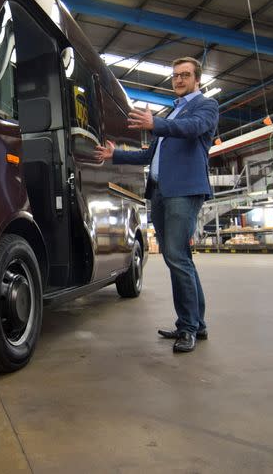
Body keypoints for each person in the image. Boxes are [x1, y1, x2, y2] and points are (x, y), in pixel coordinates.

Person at [95, 57, 219, 353]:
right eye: (175, 75)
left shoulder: (205, 107)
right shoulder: (173, 113)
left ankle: (188, 327)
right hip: (162, 191)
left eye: (184, 75)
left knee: (177, 257)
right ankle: (194, 324)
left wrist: (157, 123)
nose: (178, 80)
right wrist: (117, 156)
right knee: (179, 257)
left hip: (184, 190)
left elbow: (193, 128)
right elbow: (150, 155)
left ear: (197, 79)